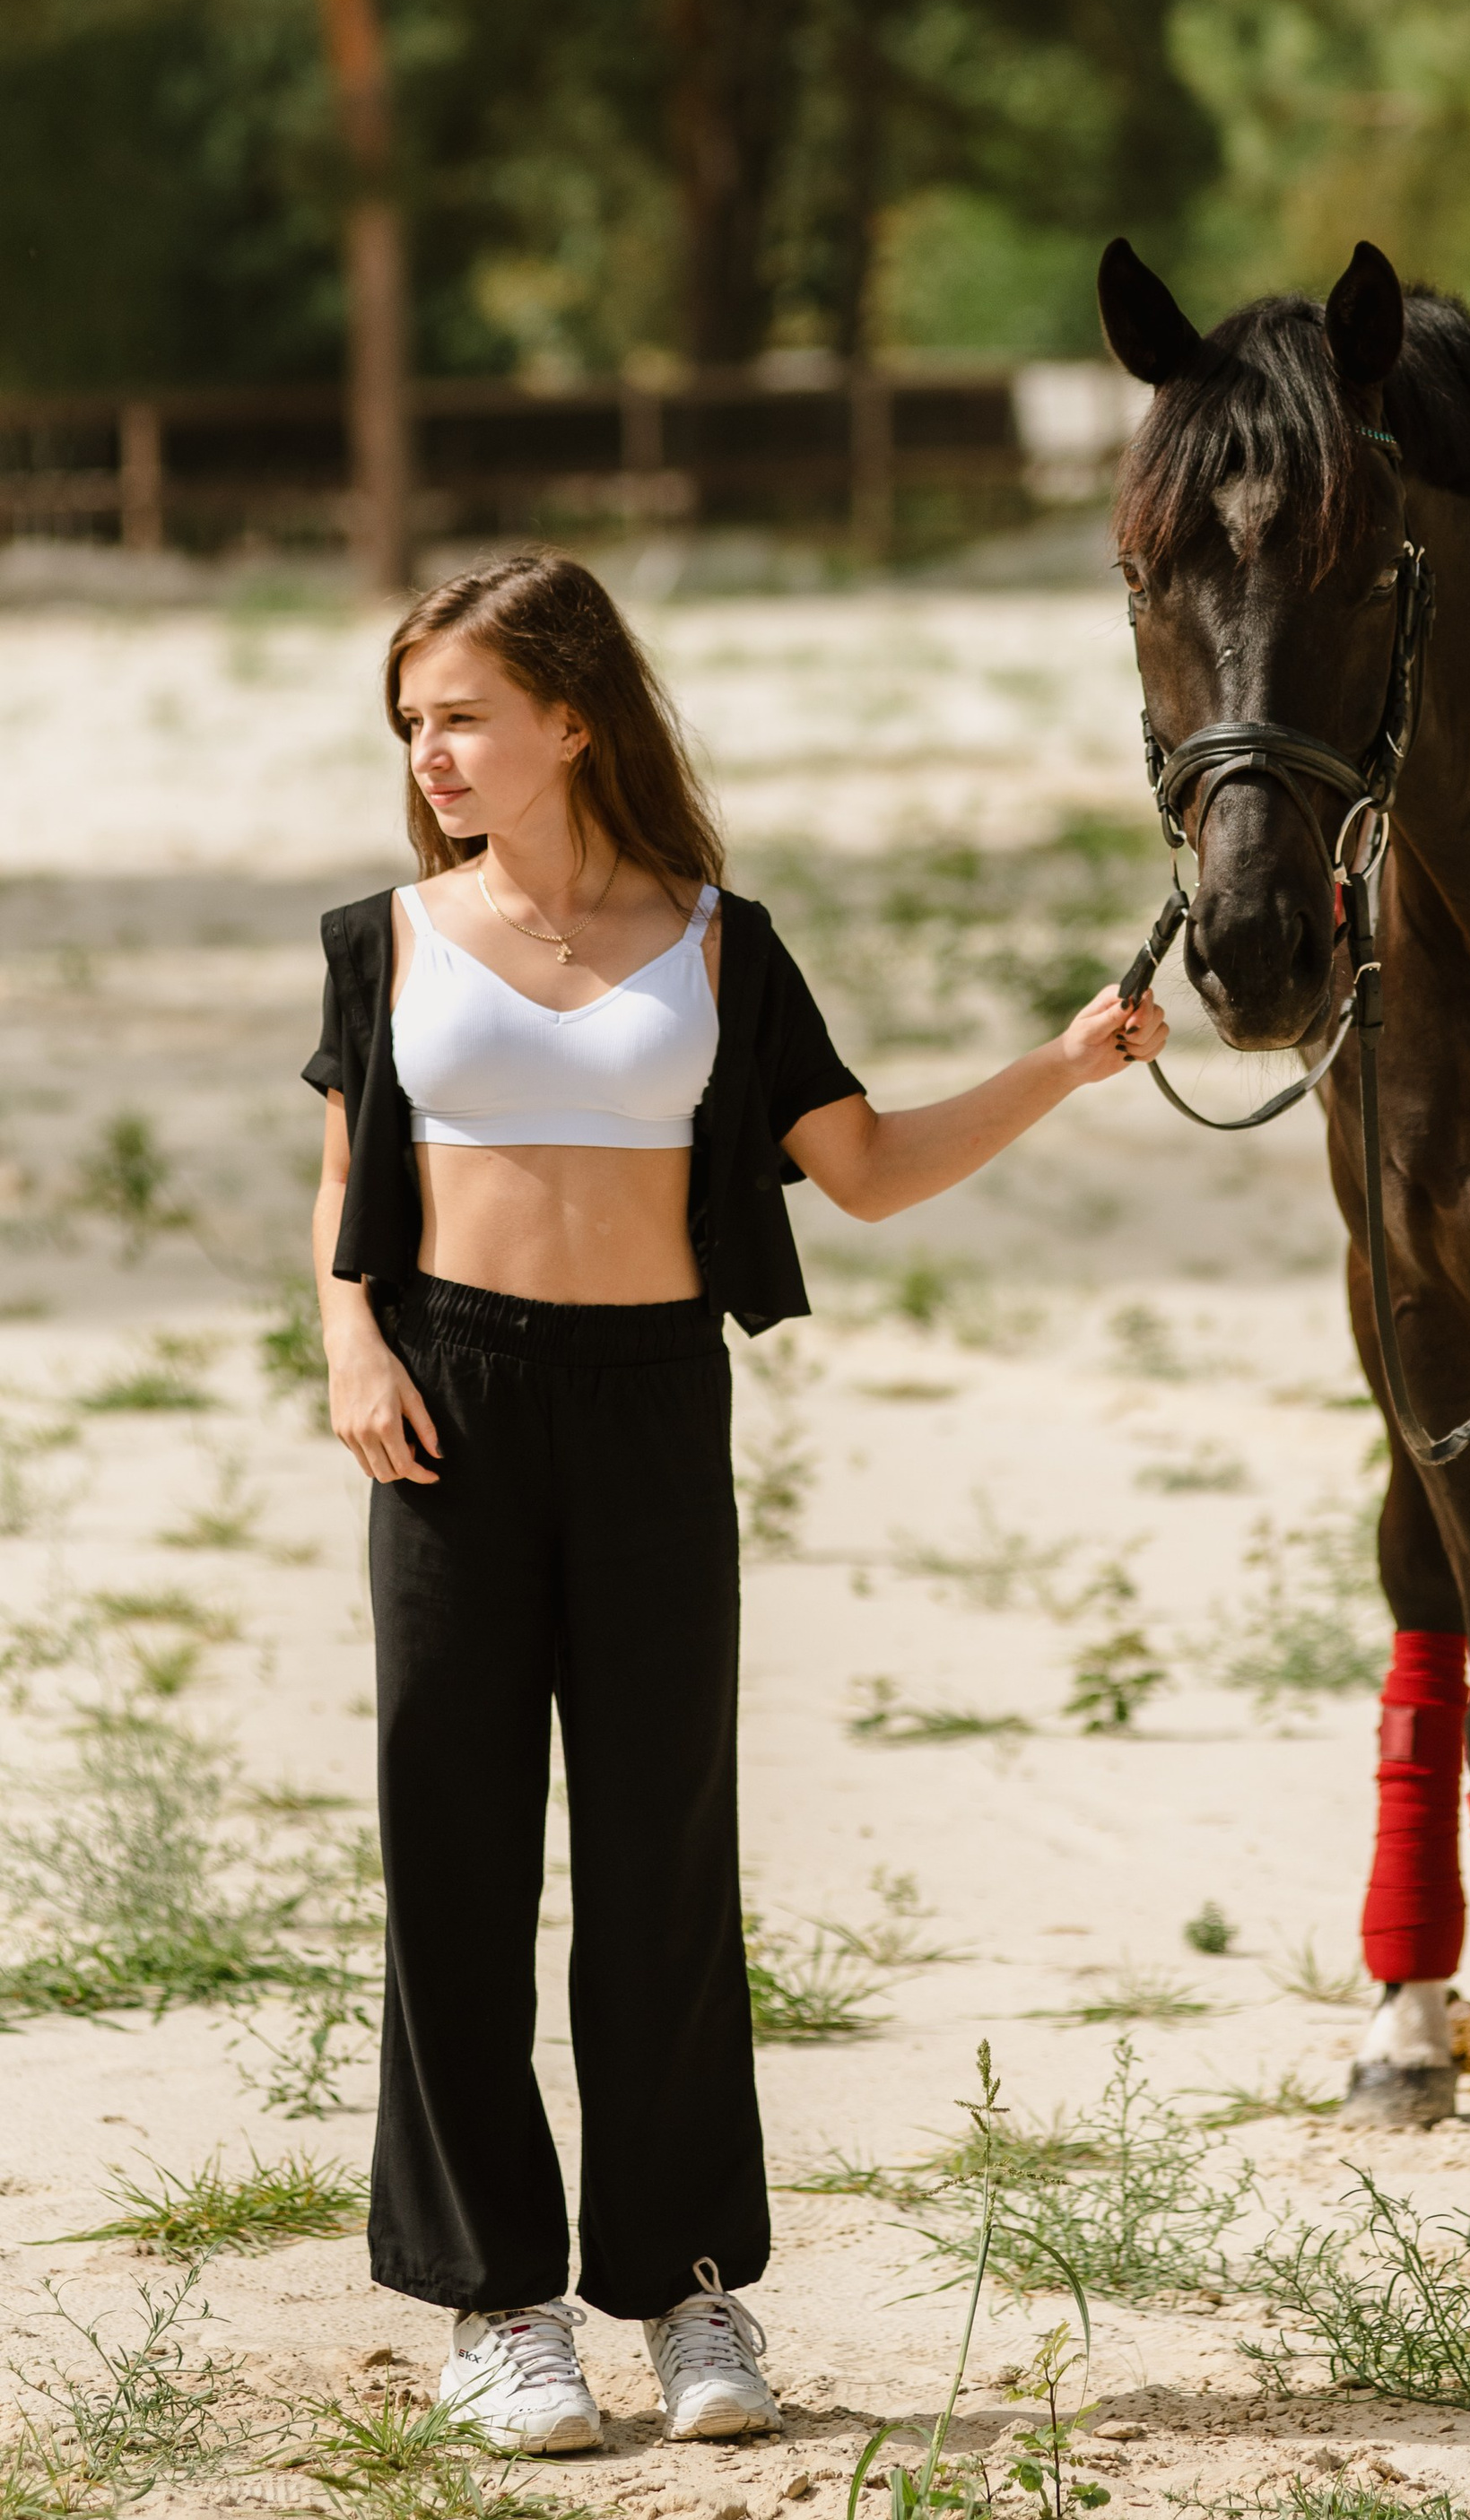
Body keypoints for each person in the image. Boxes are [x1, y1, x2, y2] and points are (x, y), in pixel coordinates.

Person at [307, 549, 1168, 2458]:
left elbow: (858, 1170)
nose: (429, 752)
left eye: (460, 714)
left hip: (646, 1410)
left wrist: (1065, 1061)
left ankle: (690, 2294)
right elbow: (349, 1174)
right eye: (413, 724)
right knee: (450, 1848)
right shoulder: (385, 936)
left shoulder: (717, 942)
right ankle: (497, 2303)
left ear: (570, 717)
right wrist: (353, 1345)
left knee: (661, 1856)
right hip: (442, 1407)